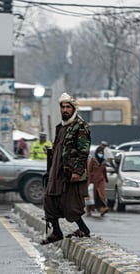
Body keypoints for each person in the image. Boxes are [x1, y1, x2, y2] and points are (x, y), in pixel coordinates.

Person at [40, 92, 92, 245]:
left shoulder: (80, 126)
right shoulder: (60, 127)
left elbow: (84, 151)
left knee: (71, 205)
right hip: (56, 172)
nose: (65, 110)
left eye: (68, 107)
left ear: (73, 108)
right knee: (50, 200)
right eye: (62, 107)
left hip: (70, 174)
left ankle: (84, 230)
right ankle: (56, 233)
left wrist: (77, 171)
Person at [86, 146, 109, 217]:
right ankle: (89, 209)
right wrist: (89, 180)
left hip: (100, 181)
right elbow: (89, 170)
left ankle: (102, 208)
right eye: (99, 153)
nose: (101, 154)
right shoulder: (93, 160)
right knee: (92, 196)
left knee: (101, 195)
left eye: (102, 153)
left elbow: (104, 171)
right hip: (93, 181)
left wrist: (106, 179)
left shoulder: (103, 161)